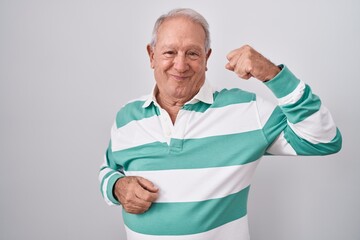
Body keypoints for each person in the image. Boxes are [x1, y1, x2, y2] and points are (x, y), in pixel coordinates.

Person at [99, 8, 342, 240]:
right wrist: (116, 187)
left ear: (207, 58)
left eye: (192, 53)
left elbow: (323, 140)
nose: (180, 65)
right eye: (169, 52)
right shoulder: (126, 117)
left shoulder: (247, 111)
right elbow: (108, 170)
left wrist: (272, 74)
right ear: (152, 56)